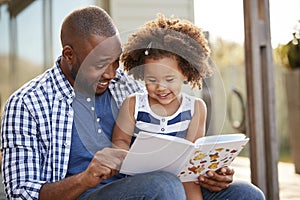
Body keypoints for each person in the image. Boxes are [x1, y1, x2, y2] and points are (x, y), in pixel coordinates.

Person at [0, 5, 264, 200]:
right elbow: (21, 194)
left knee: (246, 194)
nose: (112, 73)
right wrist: (85, 178)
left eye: (116, 61)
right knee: (164, 187)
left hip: (151, 185)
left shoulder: (125, 83)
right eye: (101, 64)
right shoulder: (27, 104)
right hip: (89, 194)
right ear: (69, 55)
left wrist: (207, 169)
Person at [112, 14, 213, 200]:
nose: (160, 87)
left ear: (186, 73)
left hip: (180, 178)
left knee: (188, 182)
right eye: (152, 80)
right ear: (142, 75)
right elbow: (120, 141)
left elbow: (191, 158)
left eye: (169, 79)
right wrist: (129, 157)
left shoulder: (196, 108)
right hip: (140, 180)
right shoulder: (133, 105)